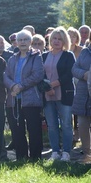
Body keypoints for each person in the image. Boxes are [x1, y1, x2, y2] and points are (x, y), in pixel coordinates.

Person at [4, 29, 44, 161]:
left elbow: (37, 75)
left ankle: (35, 157)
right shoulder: (12, 58)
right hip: (14, 99)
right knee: (17, 129)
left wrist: (20, 86)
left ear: (30, 42)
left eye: (25, 40)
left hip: (31, 99)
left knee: (34, 129)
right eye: (20, 40)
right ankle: (21, 157)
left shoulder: (36, 56)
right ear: (16, 42)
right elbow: (6, 76)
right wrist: (13, 86)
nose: (22, 42)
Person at [42, 26, 75, 161]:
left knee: (66, 124)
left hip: (64, 94)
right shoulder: (44, 55)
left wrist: (55, 83)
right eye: (54, 38)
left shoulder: (68, 55)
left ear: (64, 41)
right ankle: (55, 151)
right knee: (52, 124)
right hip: (47, 95)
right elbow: (40, 74)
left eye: (59, 39)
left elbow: (70, 73)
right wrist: (47, 88)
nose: (56, 41)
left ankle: (66, 152)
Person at [71, 38, 91, 164]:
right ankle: (87, 153)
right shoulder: (84, 52)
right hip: (84, 96)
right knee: (83, 125)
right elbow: (74, 68)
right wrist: (85, 74)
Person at [67, 27, 83, 143]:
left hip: (78, 80)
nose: (71, 38)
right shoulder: (62, 50)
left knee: (77, 107)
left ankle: (77, 132)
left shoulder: (82, 50)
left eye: (74, 36)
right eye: (69, 35)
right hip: (65, 81)